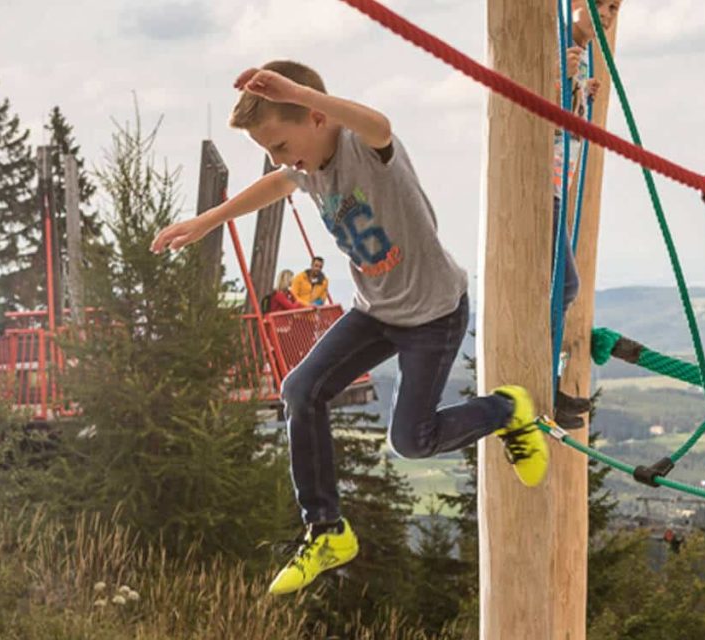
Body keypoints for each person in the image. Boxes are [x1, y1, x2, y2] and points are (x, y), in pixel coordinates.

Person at [149, 60, 548, 596]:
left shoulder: (365, 149)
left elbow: (378, 122)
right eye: (269, 151)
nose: (279, 158)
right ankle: (327, 529)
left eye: (280, 143)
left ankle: (507, 411)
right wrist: (207, 221)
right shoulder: (305, 166)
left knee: (412, 440)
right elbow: (276, 183)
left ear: (315, 117)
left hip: (433, 315)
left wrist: (294, 91)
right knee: (300, 390)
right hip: (375, 312)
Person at [551, 0, 622, 316]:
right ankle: (542, 364)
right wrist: (559, 83)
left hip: (557, 186)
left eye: (614, 7)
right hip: (540, 186)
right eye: (598, 4)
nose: (605, 15)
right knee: (563, 285)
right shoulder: (557, 44)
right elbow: (536, 118)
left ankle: (546, 359)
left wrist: (580, 96)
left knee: (557, 284)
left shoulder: (578, 54)